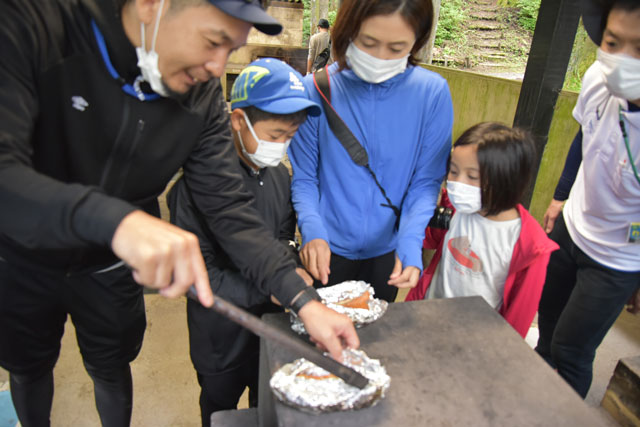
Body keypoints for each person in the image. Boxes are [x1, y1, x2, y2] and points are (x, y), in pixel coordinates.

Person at [0, 1, 358, 426]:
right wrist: (116, 220)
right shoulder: (34, 25)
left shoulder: (202, 97)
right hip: (23, 254)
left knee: (110, 364)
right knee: (27, 364)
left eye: (232, 48)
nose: (216, 66)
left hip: (110, 268)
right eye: (213, 41)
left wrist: (303, 302)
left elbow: (228, 207)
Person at [167, 57, 320, 425]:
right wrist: (268, 289)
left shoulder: (279, 177)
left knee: (264, 404)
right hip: (220, 342)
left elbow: (284, 234)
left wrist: (291, 263)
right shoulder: (193, 190)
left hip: (269, 333)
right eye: (274, 136)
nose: (281, 147)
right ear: (238, 121)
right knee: (220, 410)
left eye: (290, 137)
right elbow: (196, 279)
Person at [289, 0, 453, 303]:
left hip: (390, 249)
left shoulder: (432, 94)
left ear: (416, 41)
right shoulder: (316, 89)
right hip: (326, 247)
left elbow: (425, 182)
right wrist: (312, 231)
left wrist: (411, 239)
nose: (380, 57)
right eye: (368, 42)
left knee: (375, 338)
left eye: (396, 48)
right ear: (349, 30)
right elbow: (304, 178)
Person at [535, 0, 640, 398]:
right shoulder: (600, 77)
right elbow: (585, 137)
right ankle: (534, 400)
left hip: (618, 259)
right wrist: (560, 198)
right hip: (572, 226)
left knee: (572, 349)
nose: (622, 60)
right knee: (546, 333)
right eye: (613, 42)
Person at [405, 123, 559, 338]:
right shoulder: (457, 207)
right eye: (453, 171)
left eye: (472, 177)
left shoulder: (529, 246)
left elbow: (519, 315)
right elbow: (430, 240)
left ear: (505, 179)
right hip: (426, 316)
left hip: (474, 338)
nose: (457, 183)